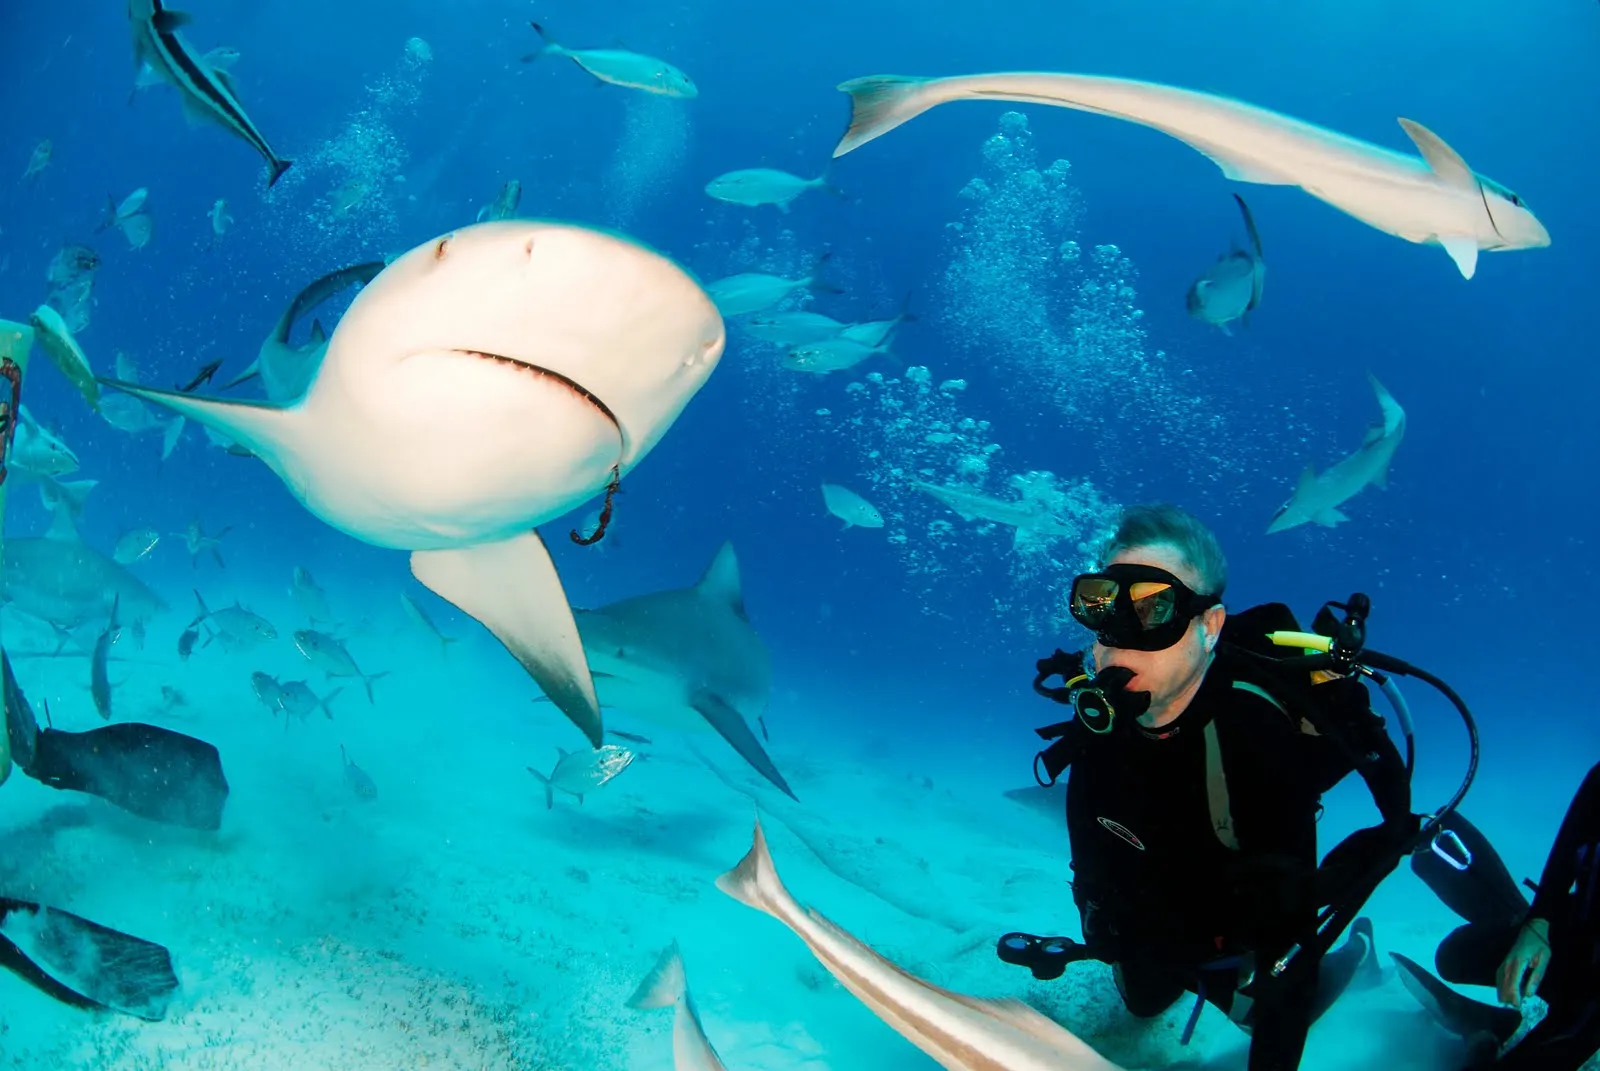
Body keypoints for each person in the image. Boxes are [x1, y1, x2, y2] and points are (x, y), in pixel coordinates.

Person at [999, 504, 1414, 1071]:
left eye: (1153, 608)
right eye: (1103, 605)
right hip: (1149, 923)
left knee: (1269, 1001)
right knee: (1142, 1000)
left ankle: (1359, 954)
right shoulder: (1100, 720)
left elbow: (1287, 954)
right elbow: (1091, 853)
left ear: (1208, 625)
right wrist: (1106, 933)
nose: (1118, 638)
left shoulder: (1255, 737)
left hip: (1235, 934)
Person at [1402, 763, 1600, 1069]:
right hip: (1580, 933)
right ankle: (1515, 916)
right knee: (1455, 957)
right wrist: (1538, 923)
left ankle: (1518, 1024)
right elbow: (1575, 838)